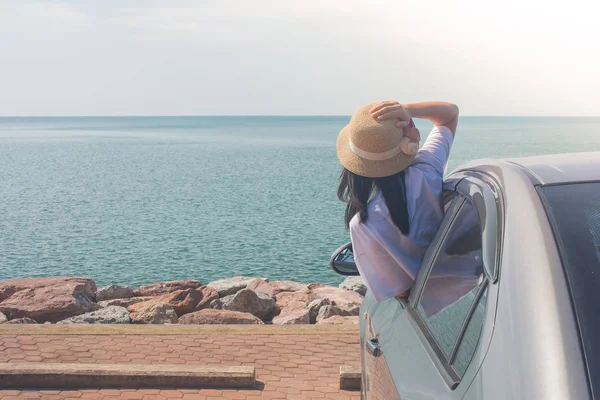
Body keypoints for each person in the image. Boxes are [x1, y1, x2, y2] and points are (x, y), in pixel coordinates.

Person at [336, 100, 460, 303]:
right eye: (407, 125)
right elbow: (450, 113)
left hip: (431, 307)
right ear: (407, 146)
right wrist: (407, 110)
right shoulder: (426, 169)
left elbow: (401, 292)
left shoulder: (363, 225)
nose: (411, 123)